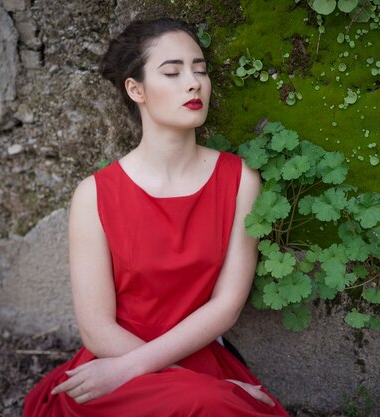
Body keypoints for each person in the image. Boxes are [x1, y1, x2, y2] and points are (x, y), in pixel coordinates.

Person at [22, 17, 291, 416]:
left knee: (210, 402)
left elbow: (226, 305)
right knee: (211, 401)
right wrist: (152, 373)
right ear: (136, 89)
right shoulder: (94, 195)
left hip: (190, 353)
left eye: (200, 70)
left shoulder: (239, 180)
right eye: (173, 72)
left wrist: (191, 379)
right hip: (116, 368)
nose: (193, 82)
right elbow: (97, 330)